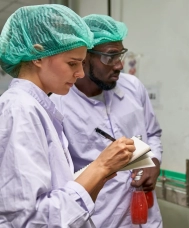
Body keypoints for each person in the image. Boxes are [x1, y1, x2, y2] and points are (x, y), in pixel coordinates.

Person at [0, 5, 135, 227]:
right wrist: (99, 166)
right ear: (38, 55)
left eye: (82, 63)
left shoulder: (38, 107)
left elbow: (55, 191)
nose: (80, 73)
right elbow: (29, 220)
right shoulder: (20, 110)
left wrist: (101, 174)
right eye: (72, 63)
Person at [50, 14, 163, 227]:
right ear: (84, 57)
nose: (119, 65)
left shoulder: (133, 88)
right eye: (110, 57)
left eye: (120, 55)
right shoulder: (58, 107)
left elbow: (153, 133)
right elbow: (59, 178)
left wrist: (154, 161)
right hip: (100, 218)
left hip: (146, 217)